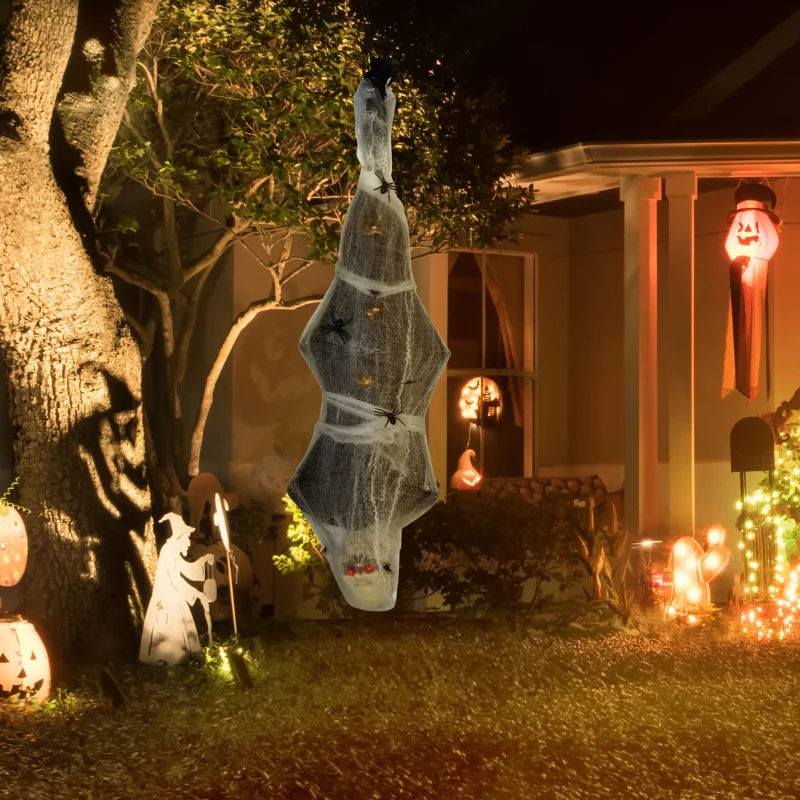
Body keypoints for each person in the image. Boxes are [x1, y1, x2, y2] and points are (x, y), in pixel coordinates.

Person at [139, 513, 215, 666]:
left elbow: (186, 569)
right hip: (168, 601)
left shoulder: (173, 551)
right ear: (180, 537)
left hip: (176, 599)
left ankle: (184, 658)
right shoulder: (169, 551)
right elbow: (176, 580)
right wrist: (197, 594)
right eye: (187, 538)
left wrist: (204, 563)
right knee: (170, 628)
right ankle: (169, 658)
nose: (188, 543)